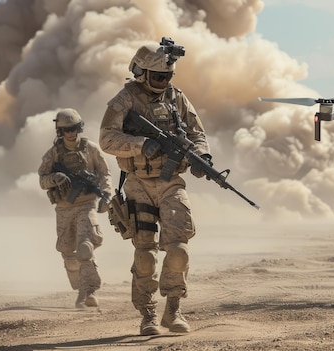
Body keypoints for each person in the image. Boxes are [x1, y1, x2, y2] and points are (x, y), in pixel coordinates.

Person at [99, 38, 211, 335]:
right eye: (158, 76)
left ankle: (173, 309)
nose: (163, 81)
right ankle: (147, 314)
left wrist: (202, 157)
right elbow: (106, 139)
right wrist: (140, 145)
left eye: (167, 76)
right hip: (138, 183)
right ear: (141, 72)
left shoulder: (176, 97)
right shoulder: (125, 99)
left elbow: (197, 133)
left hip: (172, 182)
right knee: (146, 255)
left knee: (178, 250)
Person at [38, 108, 112, 308]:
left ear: (79, 128)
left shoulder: (91, 149)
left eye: (74, 128)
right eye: (66, 130)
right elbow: (42, 180)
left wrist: (107, 194)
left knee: (85, 248)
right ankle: (79, 286)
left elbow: (105, 173)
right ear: (60, 131)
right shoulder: (54, 153)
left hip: (86, 204)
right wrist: (56, 178)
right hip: (63, 208)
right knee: (69, 256)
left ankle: (87, 291)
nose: (71, 133)